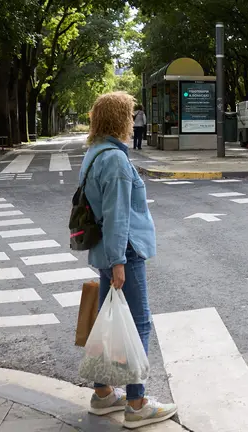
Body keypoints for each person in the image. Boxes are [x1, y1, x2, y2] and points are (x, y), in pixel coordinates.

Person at [80, 91, 177, 429]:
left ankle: (103, 393)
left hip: (106, 250)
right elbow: (117, 215)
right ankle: (136, 403)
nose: (132, 121)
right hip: (125, 251)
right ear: (120, 119)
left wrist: (111, 258)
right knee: (138, 323)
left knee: (107, 322)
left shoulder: (94, 153)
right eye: (129, 115)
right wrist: (119, 261)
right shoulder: (116, 161)